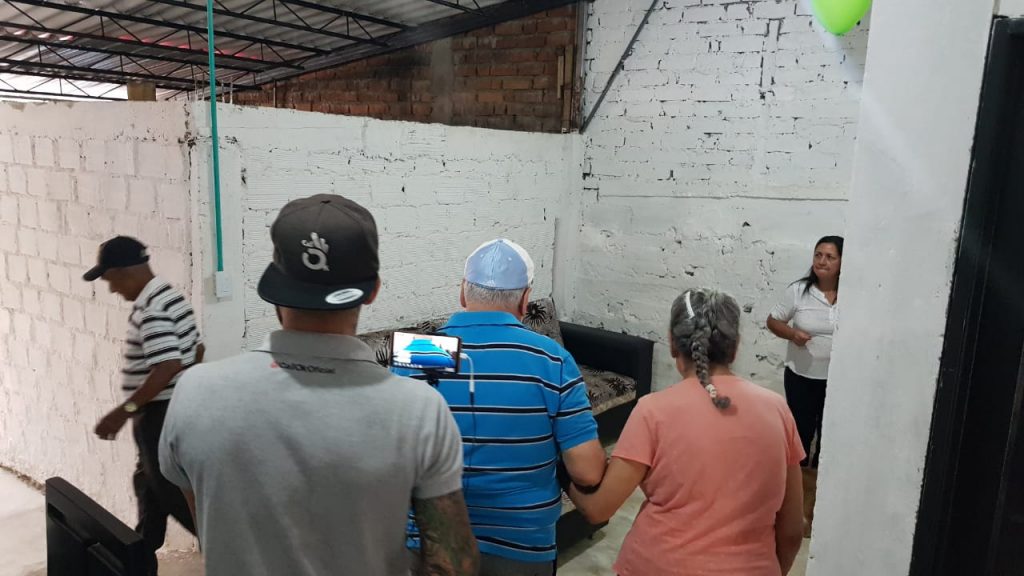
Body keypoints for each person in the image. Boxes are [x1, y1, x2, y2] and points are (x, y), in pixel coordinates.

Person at [158, 194, 478, 576]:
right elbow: (453, 565)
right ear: (373, 290)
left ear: (273, 287)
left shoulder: (194, 392)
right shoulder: (420, 411)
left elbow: (211, 524)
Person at [398, 239, 606, 576]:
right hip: (522, 546)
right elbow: (587, 471)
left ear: (463, 292)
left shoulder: (420, 352)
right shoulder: (552, 359)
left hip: (429, 543)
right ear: (525, 299)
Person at [568, 289, 805, 576]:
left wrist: (559, 467)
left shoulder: (653, 411)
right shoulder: (778, 410)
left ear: (672, 343)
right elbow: (792, 530)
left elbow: (598, 509)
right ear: (735, 347)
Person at [84, 235, 202, 575]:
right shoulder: (170, 296)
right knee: (149, 490)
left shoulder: (152, 310)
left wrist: (123, 413)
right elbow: (197, 351)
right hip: (168, 411)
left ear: (124, 272)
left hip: (157, 417)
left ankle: (228, 549)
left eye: (111, 280)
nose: (112, 289)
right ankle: (138, 562)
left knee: (174, 497)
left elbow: (166, 366)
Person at [766, 235, 843, 535]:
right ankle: (793, 509)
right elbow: (773, 321)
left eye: (830, 257)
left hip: (838, 383)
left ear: (842, 263)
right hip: (801, 378)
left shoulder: (854, 294)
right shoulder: (799, 291)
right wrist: (792, 334)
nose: (822, 261)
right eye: (818, 255)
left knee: (830, 443)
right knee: (799, 439)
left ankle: (819, 511)